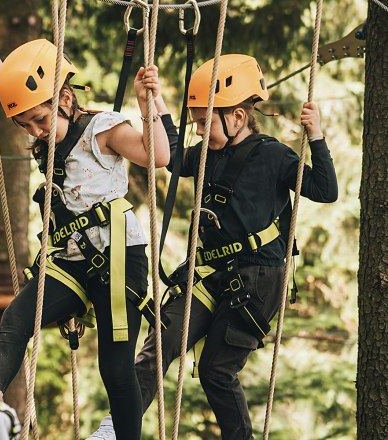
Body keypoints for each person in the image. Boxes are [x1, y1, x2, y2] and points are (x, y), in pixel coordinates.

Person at [0, 30, 171, 440]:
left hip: (118, 260)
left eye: (39, 120)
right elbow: (21, 89)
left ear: (65, 99)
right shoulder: (45, 130)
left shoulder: (103, 130)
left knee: (115, 369)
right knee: (16, 318)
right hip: (71, 260)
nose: (35, 130)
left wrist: (148, 105)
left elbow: (159, 156)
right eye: (25, 124)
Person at [134, 54, 338, 440]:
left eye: (203, 122)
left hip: (257, 278)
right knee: (159, 344)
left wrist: (316, 136)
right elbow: (173, 156)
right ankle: (116, 429)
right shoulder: (207, 154)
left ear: (238, 118)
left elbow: (325, 190)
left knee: (216, 370)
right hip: (212, 272)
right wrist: (154, 101)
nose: (198, 131)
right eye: (196, 122)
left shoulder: (274, 156)